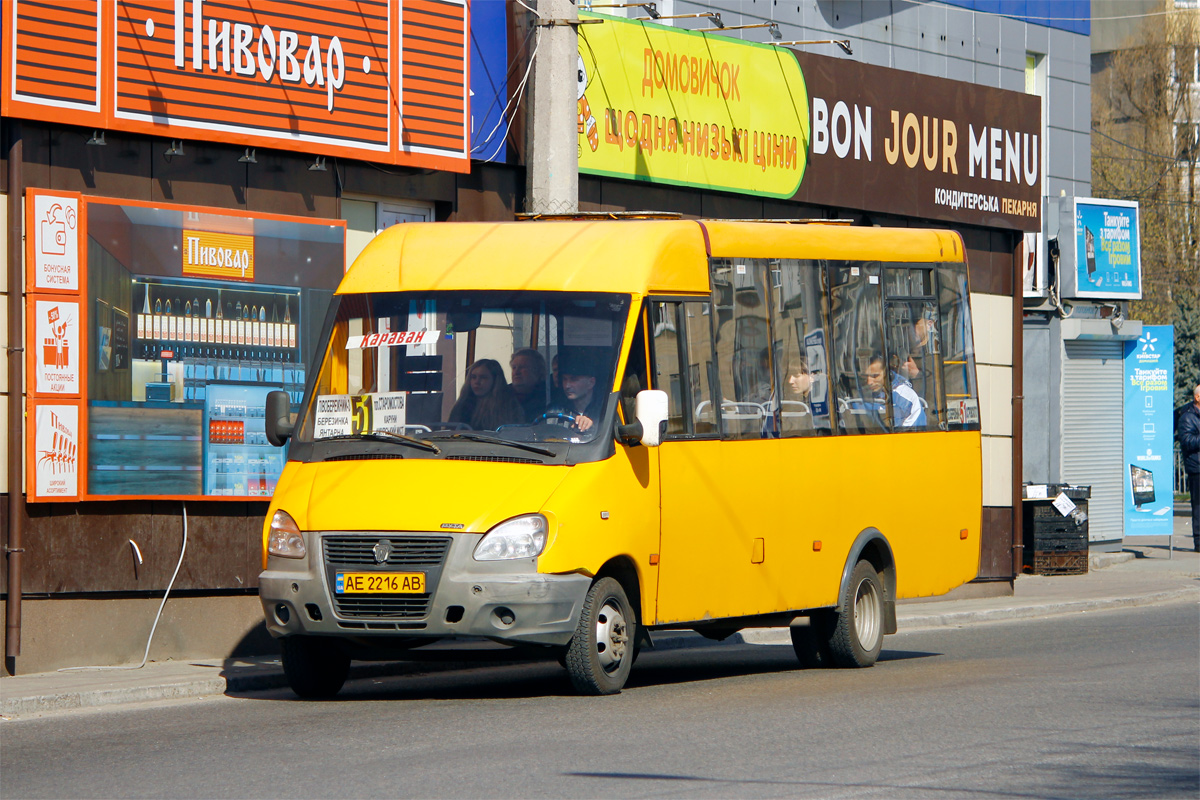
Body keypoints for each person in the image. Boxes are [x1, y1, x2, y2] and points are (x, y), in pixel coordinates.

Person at [448, 359, 524, 431]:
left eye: (483, 377)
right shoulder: (463, 405)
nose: (477, 382)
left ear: (495, 381)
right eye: (473, 377)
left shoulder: (508, 406)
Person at [547, 350, 607, 435]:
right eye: (565, 379)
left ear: (591, 383)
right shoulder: (555, 410)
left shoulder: (605, 409)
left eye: (573, 379)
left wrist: (592, 428)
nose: (567, 385)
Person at [866, 354, 925, 429]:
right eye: (865, 377)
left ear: (888, 374)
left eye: (875, 376)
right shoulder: (858, 395)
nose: (869, 382)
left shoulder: (905, 396)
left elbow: (914, 430)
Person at [1178, 383, 1200, 552]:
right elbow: (1187, 442)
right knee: (1199, 506)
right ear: (1197, 397)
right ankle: (1199, 543)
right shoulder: (1187, 417)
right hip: (1197, 469)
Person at [510, 348, 549, 422]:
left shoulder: (548, 395)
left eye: (522, 367)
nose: (516, 372)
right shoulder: (502, 395)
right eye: (514, 368)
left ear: (538, 370)